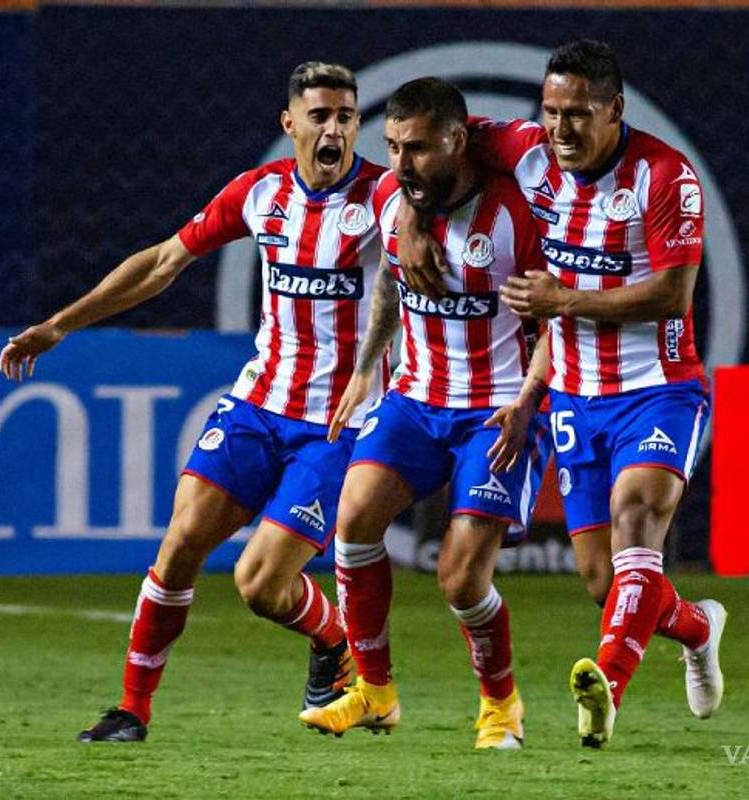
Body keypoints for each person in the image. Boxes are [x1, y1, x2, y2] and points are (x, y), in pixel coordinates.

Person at [0, 62, 389, 742]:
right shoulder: (261, 193)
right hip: (258, 405)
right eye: (320, 115)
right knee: (180, 542)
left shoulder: (385, 199)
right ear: (290, 123)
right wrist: (61, 324)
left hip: (338, 426)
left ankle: (332, 639)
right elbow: (161, 263)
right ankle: (132, 711)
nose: (334, 129)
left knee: (260, 586)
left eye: (346, 116)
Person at [398, 40, 727, 748]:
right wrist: (410, 219)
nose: (560, 128)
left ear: (615, 110)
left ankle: (607, 688)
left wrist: (564, 299)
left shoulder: (665, 177)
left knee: (636, 519)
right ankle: (698, 628)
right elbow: (427, 147)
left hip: (658, 389)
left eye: (577, 113)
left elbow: (673, 293)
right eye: (550, 111)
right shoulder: (527, 153)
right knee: (606, 582)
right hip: (575, 397)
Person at [297, 77, 548, 751]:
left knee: (461, 578)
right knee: (353, 519)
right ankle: (374, 692)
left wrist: (529, 402)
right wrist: (365, 368)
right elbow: (389, 280)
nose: (401, 164)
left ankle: (501, 706)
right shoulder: (391, 198)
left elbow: (558, 317)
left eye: (417, 149)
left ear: (459, 141)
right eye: (392, 147)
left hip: (496, 408)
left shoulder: (518, 213)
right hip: (415, 398)